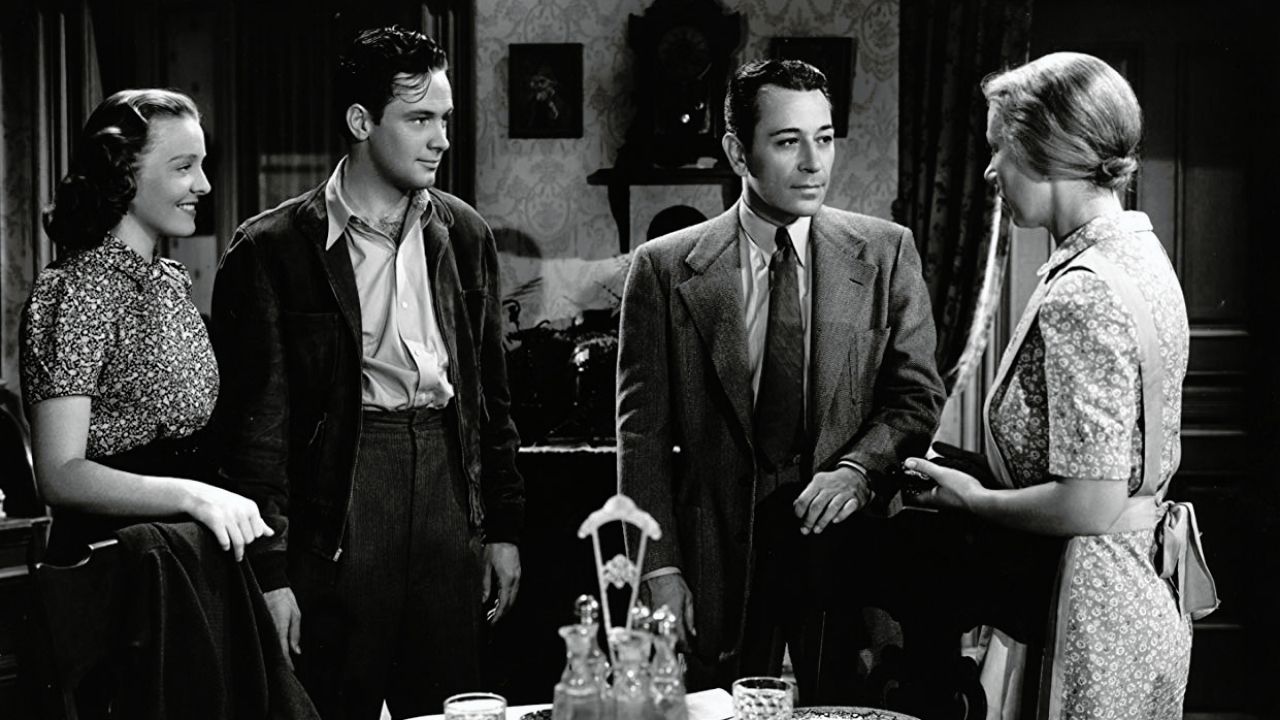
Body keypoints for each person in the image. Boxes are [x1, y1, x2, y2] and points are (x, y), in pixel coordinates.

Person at [209, 26, 523, 720]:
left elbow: (490, 401)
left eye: (445, 119)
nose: (441, 139)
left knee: (451, 706)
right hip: (341, 497)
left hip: (445, 486)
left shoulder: (464, 233)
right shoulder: (271, 248)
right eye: (419, 119)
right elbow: (255, 432)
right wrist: (270, 572)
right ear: (361, 121)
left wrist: (501, 527)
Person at [616, 59, 945, 691]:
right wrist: (657, 568)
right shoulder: (664, 268)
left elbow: (915, 397)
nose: (814, 163)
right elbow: (642, 437)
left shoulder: (884, 252)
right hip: (717, 559)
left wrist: (858, 469)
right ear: (738, 152)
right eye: (789, 141)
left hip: (847, 551)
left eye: (824, 138)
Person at [909, 52, 1216, 719]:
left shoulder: (1084, 290)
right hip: (1137, 591)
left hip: (1095, 610)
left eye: (999, 147)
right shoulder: (1137, 253)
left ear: (1046, 148)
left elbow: (1089, 502)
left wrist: (971, 500)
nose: (990, 169)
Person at [21, 89, 272, 565]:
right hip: (115, 561)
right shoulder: (74, 289)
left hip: (182, 551)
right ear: (124, 175)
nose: (204, 185)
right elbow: (59, 474)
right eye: (183, 167)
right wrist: (193, 496)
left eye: (202, 165)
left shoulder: (168, 283)